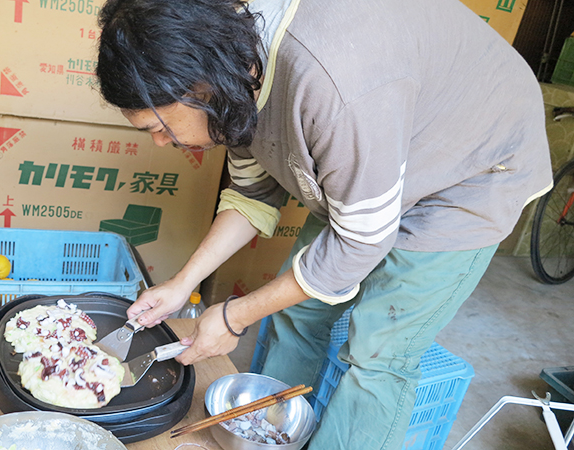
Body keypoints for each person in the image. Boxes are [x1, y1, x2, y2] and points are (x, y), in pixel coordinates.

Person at [95, 0, 553, 448]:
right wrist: (182, 283)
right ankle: (268, 432)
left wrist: (234, 318)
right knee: (294, 309)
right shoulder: (230, 74)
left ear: (198, 86)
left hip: (469, 168)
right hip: (375, 151)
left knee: (378, 351)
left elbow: (356, 244)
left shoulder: (335, 85)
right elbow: (253, 195)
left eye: (159, 126)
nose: (159, 142)